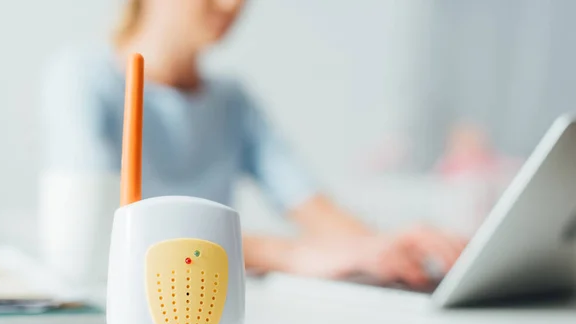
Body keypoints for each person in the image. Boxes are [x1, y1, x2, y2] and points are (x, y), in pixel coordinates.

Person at [41, 0, 465, 289]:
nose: (232, 6)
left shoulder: (232, 101)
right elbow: (102, 233)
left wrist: (392, 248)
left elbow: (309, 203)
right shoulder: (83, 76)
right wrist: (289, 254)